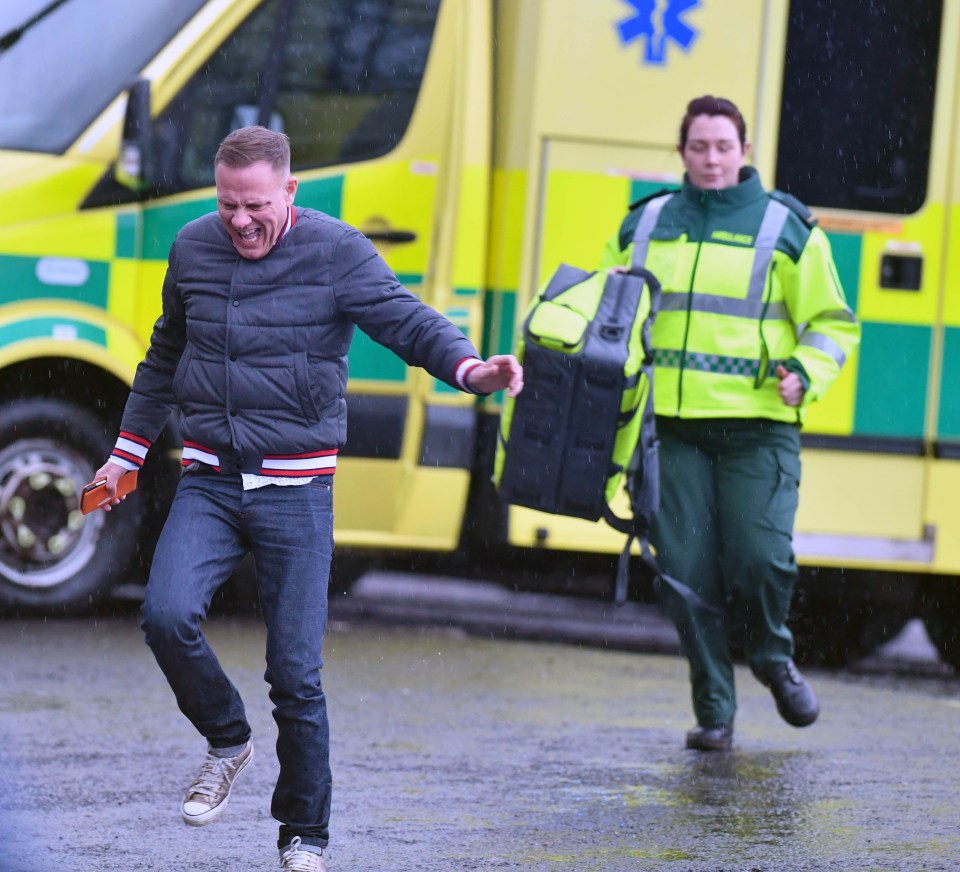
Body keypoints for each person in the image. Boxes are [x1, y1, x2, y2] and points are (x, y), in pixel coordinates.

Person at [93, 125, 522, 870]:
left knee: (294, 672)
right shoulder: (194, 246)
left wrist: (469, 369)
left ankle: (304, 835)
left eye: (255, 204)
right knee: (164, 615)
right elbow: (166, 350)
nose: (241, 221)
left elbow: (406, 321)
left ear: (289, 191)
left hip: (297, 489)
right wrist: (124, 456)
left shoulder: (337, 251)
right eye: (228, 205)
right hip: (212, 479)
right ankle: (227, 738)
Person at [600, 96, 860, 752]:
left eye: (723, 146)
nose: (711, 159)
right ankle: (715, 710)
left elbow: (833, 322)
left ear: (745, 150)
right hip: (670, 430)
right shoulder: (648, 221)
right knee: (686, 575)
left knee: (759, 558)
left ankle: (772, 658)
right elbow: (609, 309)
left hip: (758, 426)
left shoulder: (787, 227)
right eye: (698, 147)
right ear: (681, 151)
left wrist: (806, 369)